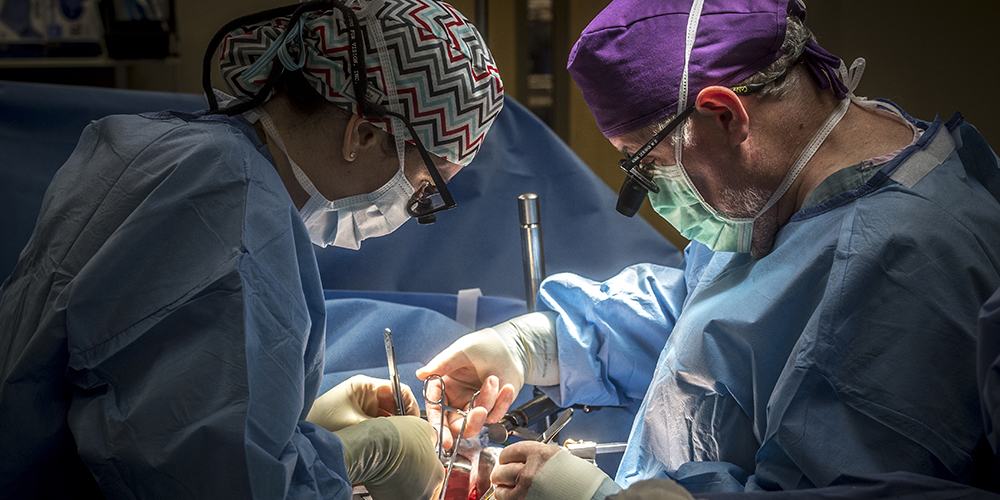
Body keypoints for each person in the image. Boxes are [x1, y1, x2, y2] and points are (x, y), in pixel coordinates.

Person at [416, 0, 1000, 498]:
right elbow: (708, 318)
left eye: (647, 165)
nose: (652, 193)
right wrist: (531, 345)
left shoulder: (908, 263)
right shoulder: (778, 195)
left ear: (724, 115)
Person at [0, 0, 502, 498]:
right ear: (364, 133)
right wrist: (355, 459)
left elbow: (162, 410)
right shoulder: (234, 225)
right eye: (422, 186)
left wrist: (306, 438)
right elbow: (219, 485)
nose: (415, 205)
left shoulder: (165, 149)